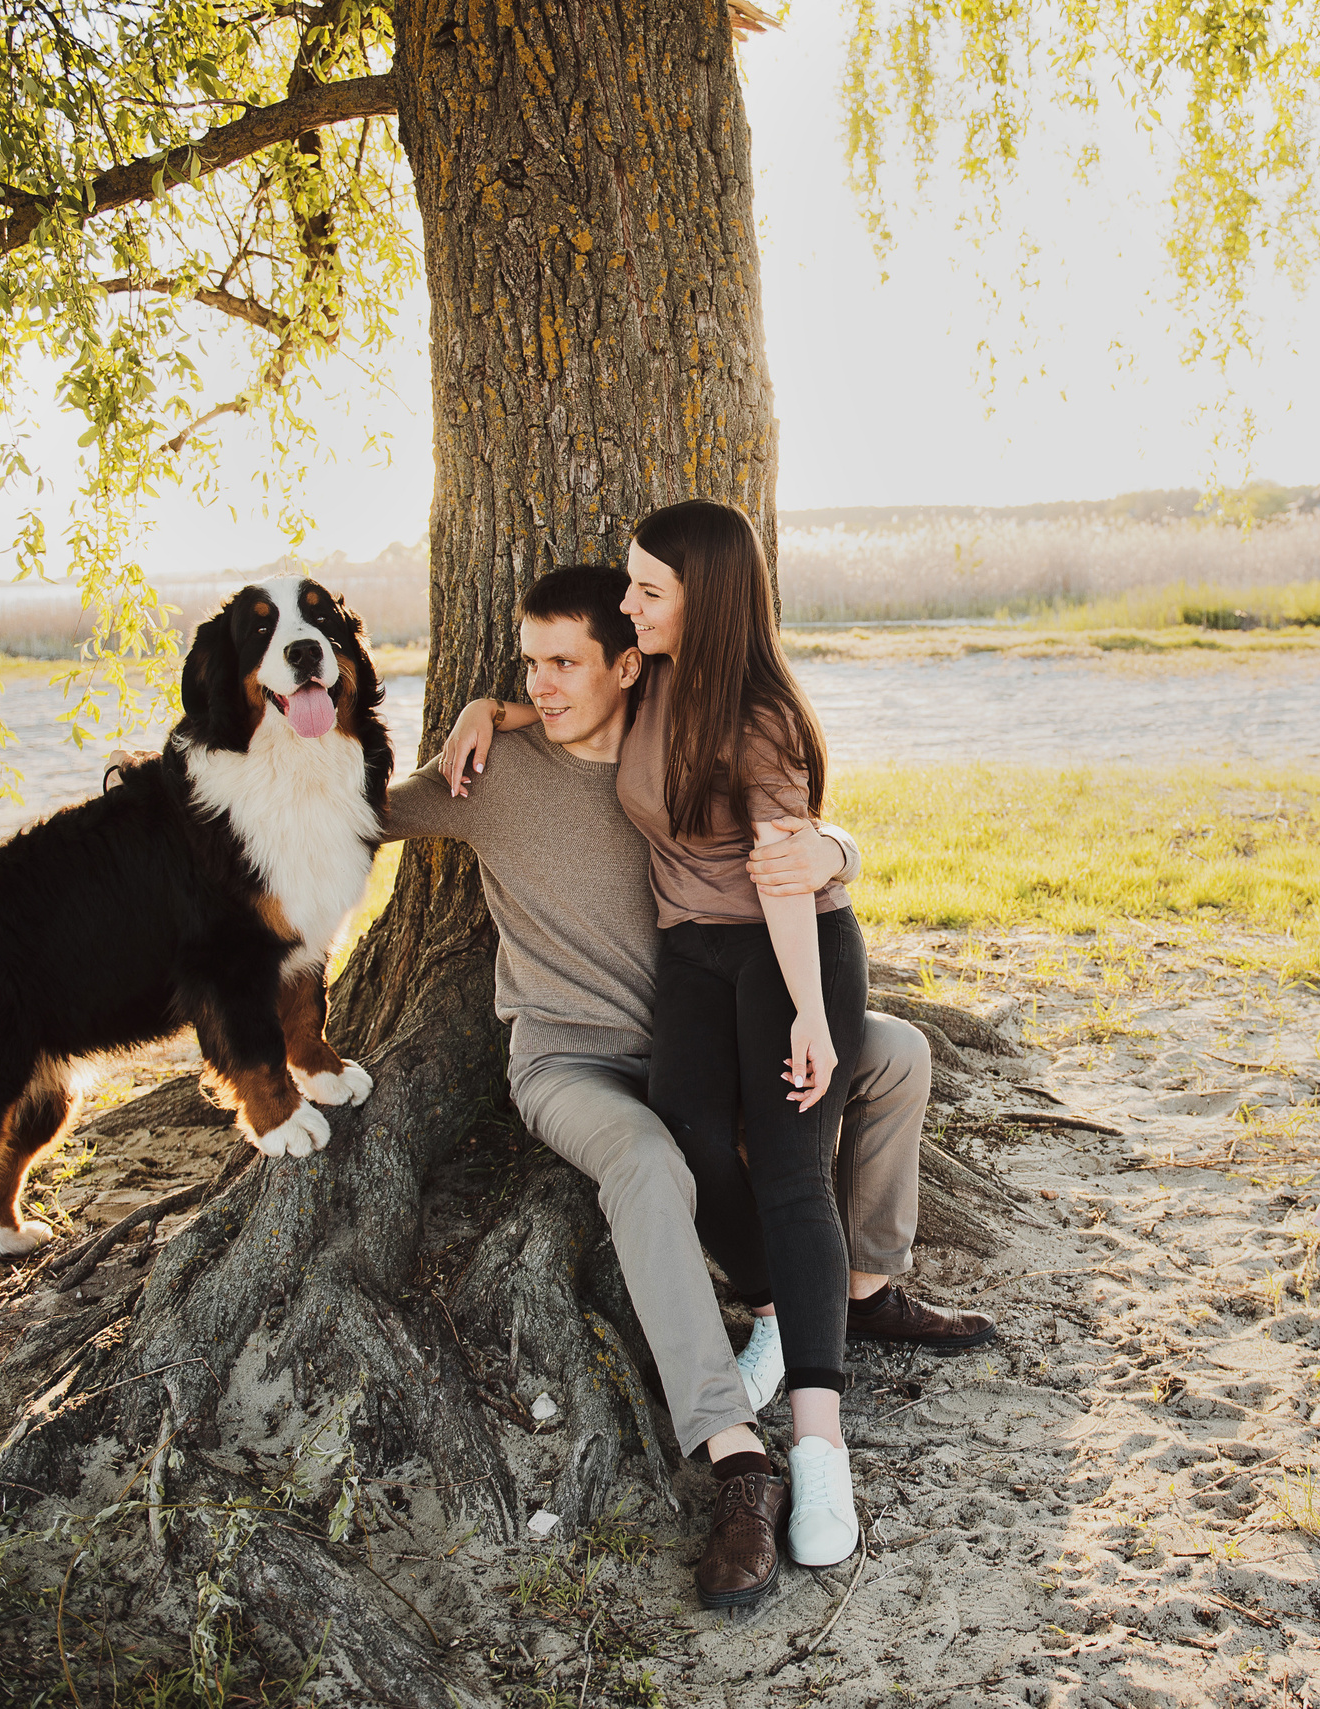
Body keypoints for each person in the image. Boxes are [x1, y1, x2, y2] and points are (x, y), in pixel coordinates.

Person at [394, 563, 991, 1610]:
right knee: (646, 1157)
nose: (540, 685)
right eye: (528, 666)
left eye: (564, 663)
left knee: (897, 1053)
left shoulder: (679, 745)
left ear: (630, 666)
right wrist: (471, 713)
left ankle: (864, 1292)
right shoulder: (490, 773)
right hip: (572, 1060)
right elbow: (353, 815)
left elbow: (793, 828)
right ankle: (737, 1456)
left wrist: (839, 847)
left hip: (712, 1034)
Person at [444, 503, 871, 1574]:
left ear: (703, 600)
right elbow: (571, 697)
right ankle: (777, 1307)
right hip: (692, 959)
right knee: (687, 1137)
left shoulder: (759, 719)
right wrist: (487, 707)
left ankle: (820, 1448)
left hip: (784, 952)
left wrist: (811, 1011)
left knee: (791, 1171)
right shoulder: (657, 677)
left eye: (647, 590)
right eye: (630, 587)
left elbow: (786, 876)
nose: (628, 604)